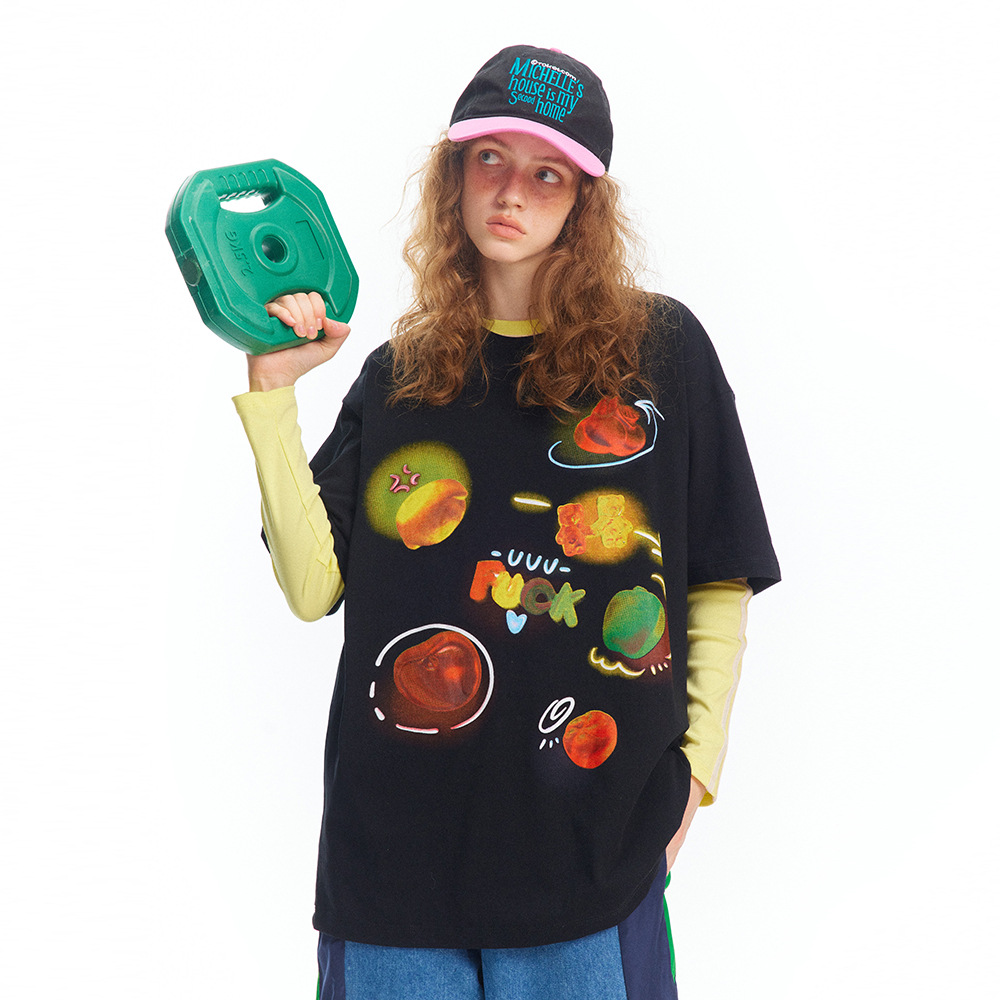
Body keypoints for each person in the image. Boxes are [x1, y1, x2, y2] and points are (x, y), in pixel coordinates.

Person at [232, 44, 779, 1000]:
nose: (512, 192)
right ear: (453, 175)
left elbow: (718, 576)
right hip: (394, 863)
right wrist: (273, 392)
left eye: (546, 173)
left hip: (592, 858)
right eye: (489, 159)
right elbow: (313, 588)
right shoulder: (399, 377)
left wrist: (695, 773)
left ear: (584, 202)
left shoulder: (661, 354)